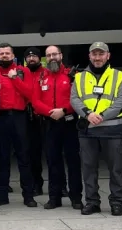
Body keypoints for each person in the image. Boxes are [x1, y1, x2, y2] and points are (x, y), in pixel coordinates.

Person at [71, 42, 122, 216]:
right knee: (88, 168)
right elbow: (74, 98)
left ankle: (117, 202)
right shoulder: (79, 77)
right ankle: (92, 202)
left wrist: (102, 115)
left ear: (108, 56)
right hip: (88, 130)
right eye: (94, 54)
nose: (97, 57)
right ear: (89, 56)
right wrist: (88, 114)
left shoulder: (119, 76)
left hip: (112, 130)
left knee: (115, 169)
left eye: (101, 54)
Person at [32, 45, 83, 210]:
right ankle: (54, 197)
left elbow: (79, 99)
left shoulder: (72, 75)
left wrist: (64, 110)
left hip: (69, 122)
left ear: (61, 55)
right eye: (49, 55)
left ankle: (76, 197)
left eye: (55, 54)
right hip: (49, 123)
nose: (52, 57)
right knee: (53, 161)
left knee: (73, 161)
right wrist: (49, 112)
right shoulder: (41, 76)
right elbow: (35, 100)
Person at [0, 43, 36, 208]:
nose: (4, 56)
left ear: (13, 55)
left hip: (19, 117)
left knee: (24, 157)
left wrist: (14, 78)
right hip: (0, 118)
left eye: (7, 53)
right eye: (1, 53)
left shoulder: (24, 72)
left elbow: (30, 94)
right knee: (2, 158)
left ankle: (28, 196)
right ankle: (2, 195)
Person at [24, 47, 46, 196]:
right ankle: (35, 183)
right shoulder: (22, 73)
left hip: (45, 116)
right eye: (29, 57)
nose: (31, 59)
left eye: (34, 57)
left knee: (52, 153)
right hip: (28, 117)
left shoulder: (46, 72)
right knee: (32, 154)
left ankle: (61, 185)